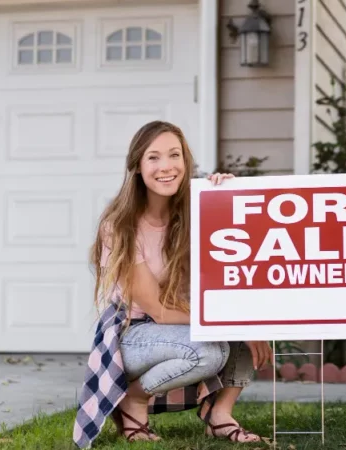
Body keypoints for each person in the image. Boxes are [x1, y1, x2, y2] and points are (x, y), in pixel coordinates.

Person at [73, 120, 272, 448]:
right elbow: (159, 311)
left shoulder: (196, 210)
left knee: (253, 319)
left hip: (184, 319)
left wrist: (227, 197)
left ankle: (220, 416)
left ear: (185, 161)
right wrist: (237, 327)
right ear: (137, 167)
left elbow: (244, 251)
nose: (166, 167)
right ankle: (131, 399)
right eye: (153, 158)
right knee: (210, 350)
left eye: (174, 155)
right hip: (134, 335)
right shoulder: (120, 227)